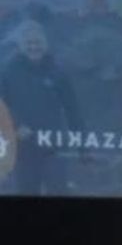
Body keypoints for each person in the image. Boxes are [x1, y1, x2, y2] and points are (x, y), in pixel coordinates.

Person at [0, 18, 81, 195]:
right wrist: (16, 126)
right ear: (20, 45)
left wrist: (82, 144)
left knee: (58, 191)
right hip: (22, 147)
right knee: (26, 192)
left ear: (46, 43)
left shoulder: (58, 71)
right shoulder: (8, 71)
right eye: (29, 43)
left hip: (54, 146)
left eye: (38, 42)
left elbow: (72, 109)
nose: (34, 47)